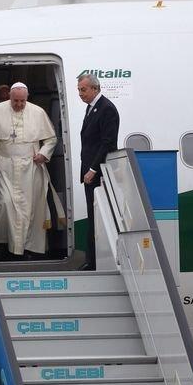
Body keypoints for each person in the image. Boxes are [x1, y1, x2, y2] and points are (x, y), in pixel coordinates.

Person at [0, 82, 58, 256]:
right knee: (3, 203)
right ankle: (0, 245)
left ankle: (25, 247)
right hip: (3, 165)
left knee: (28, 208)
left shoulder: (38, 112)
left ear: (27, 98)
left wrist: (43, 154)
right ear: (10, 97)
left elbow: (51, 139)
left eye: (22, 101)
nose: (18, 105)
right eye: (15, 101)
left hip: (30, 167)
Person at [77, 72, 119, 270]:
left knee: (97, 219)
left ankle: (95, 262)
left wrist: (93, 169)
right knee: (91, 217)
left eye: (83, 89)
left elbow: (107, 143)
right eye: (79, 90)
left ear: (95, 88)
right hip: (89, 173)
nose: (80, 93)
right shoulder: (91, 108)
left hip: (98, 174)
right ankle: (91, 260)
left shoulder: (107, 109)